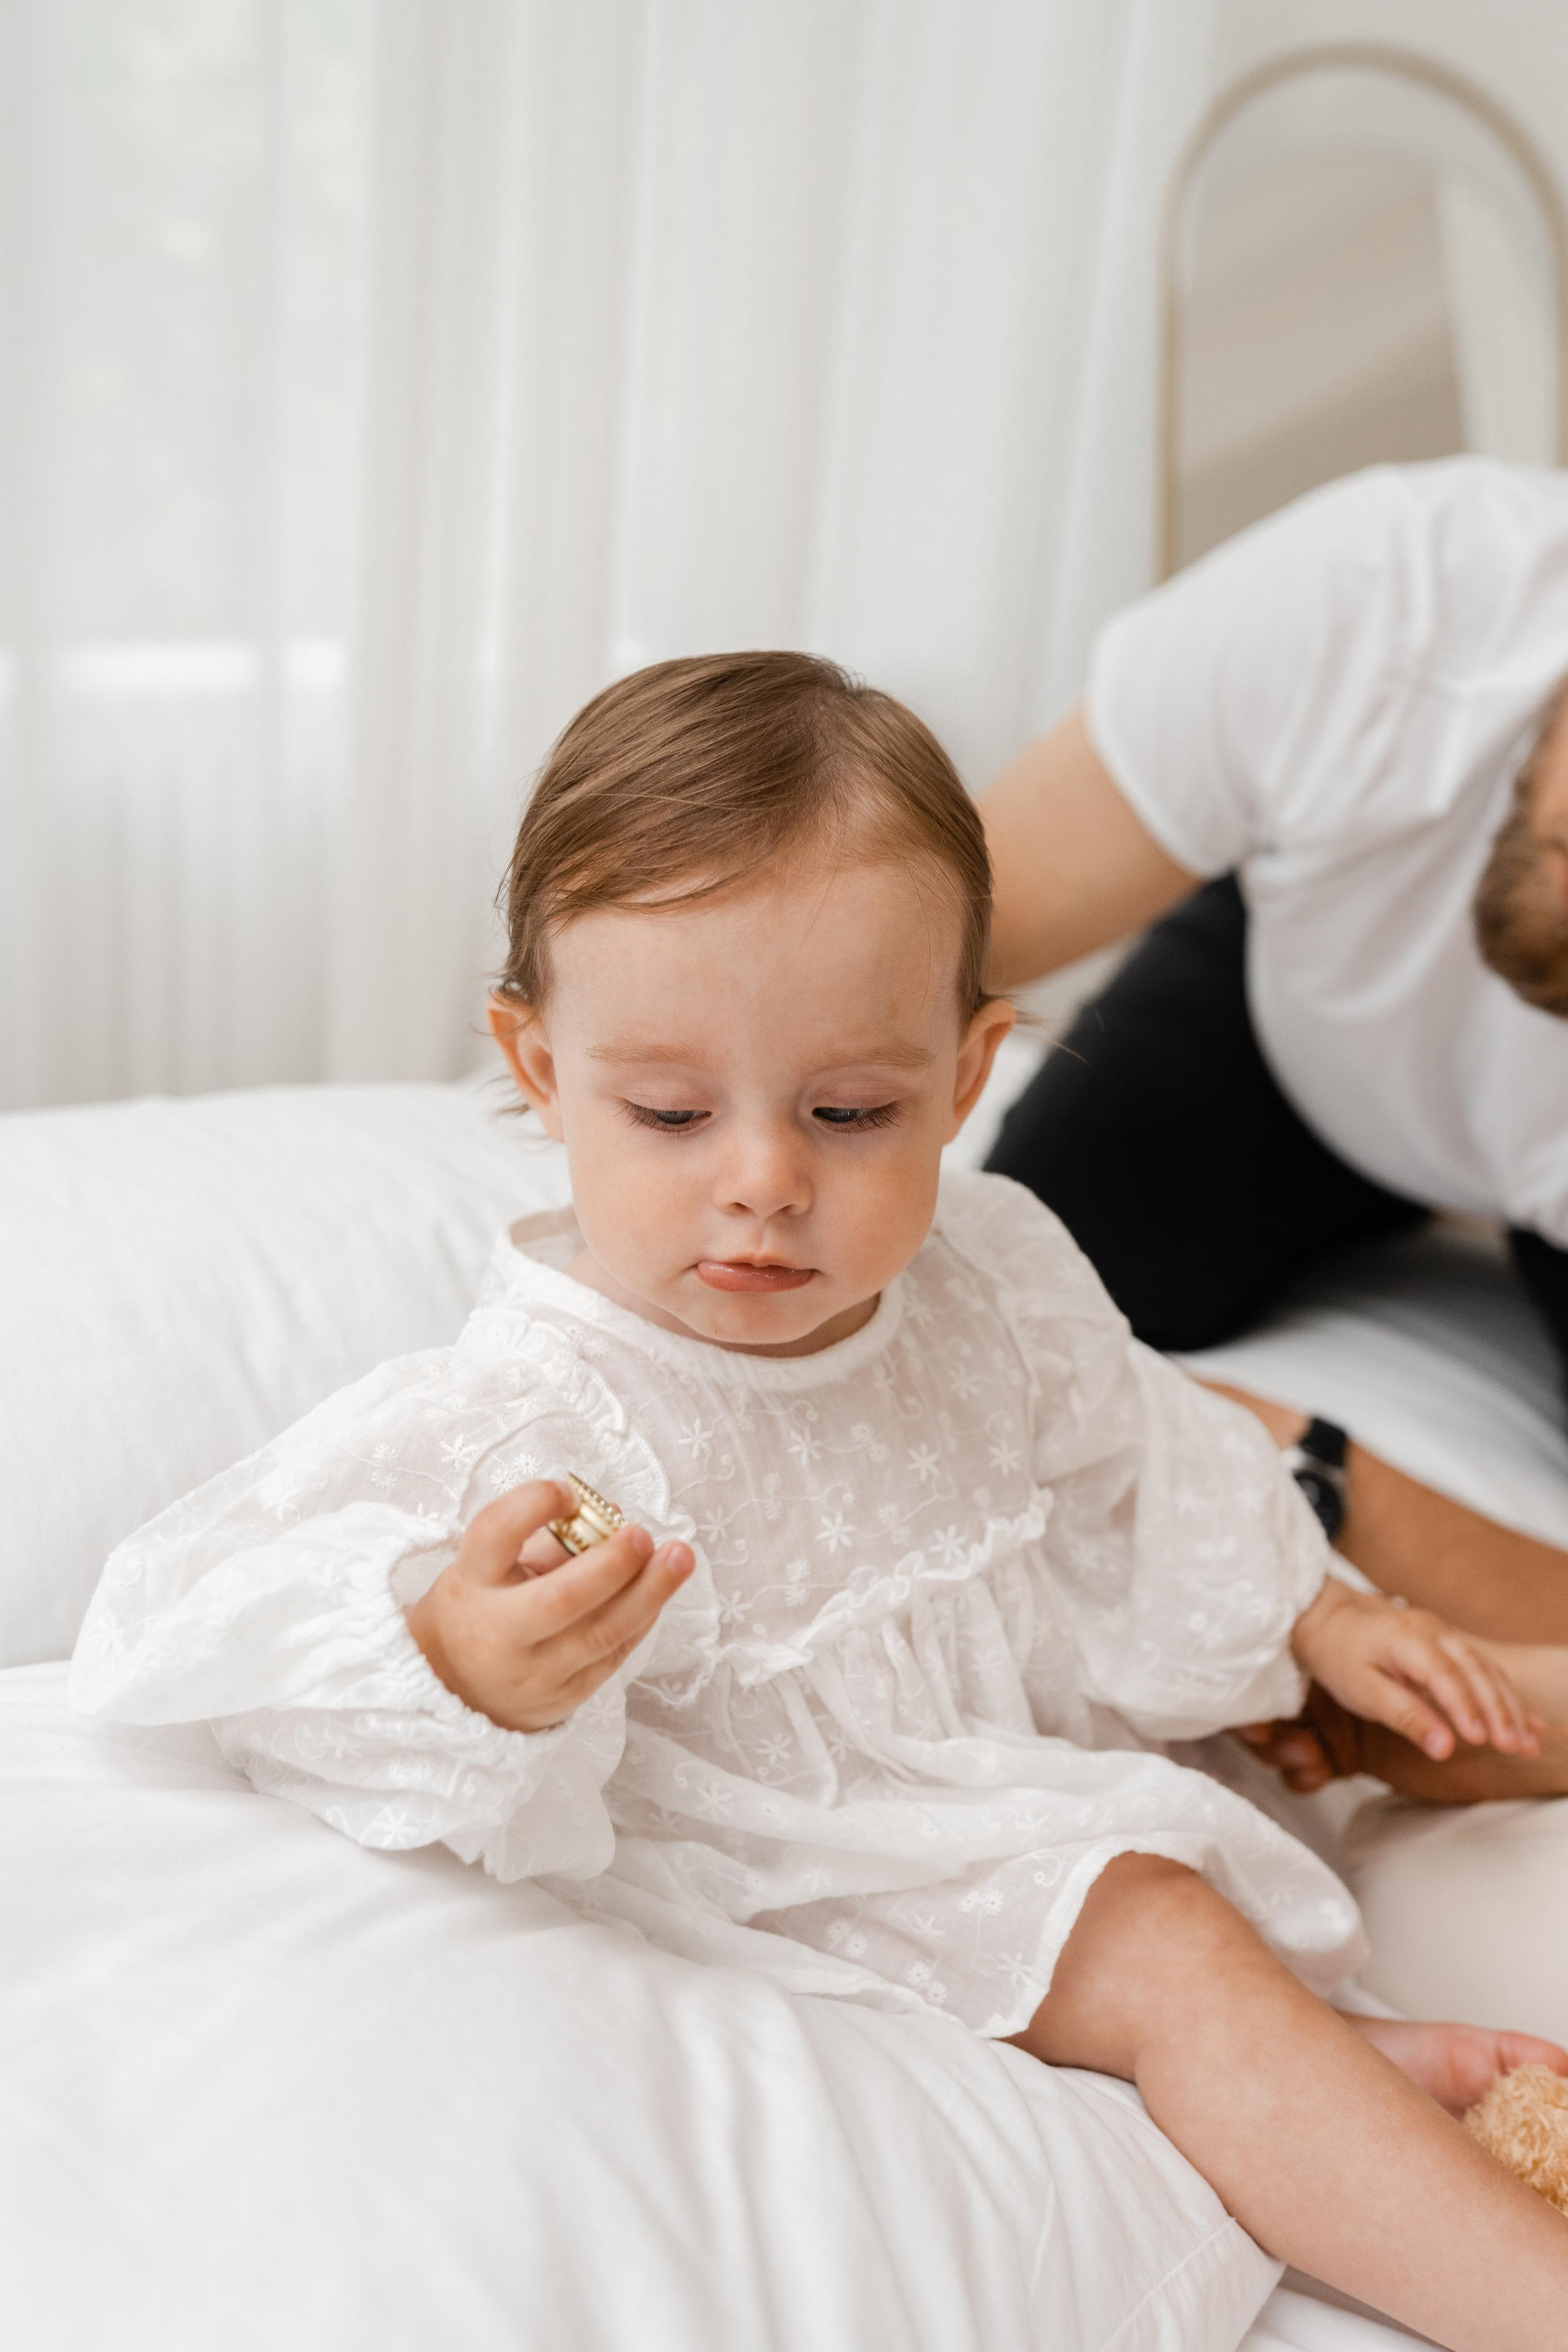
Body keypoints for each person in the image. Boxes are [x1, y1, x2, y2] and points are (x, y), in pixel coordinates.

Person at [69, 652, 1568, 2345]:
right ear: (540, 1069)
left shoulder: (990, 1261)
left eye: (854, 1112)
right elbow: (212, 1606)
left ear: (969, 1068)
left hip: (1045, 1744)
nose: (767, 1183)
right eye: (671, 1111)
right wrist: (460, 1660)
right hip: (828, 1857)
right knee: (1160, 1939)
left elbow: (1132, 1439)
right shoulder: (541, 1408)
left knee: (1447, 1720)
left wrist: (1319, 1613)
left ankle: (1341, 2061)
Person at [980, 457, 1568, 1793]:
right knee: (1011, 1271)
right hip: (1300, 1028)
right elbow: (934, 931)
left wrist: (1297, 1468)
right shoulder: (1390, 601)